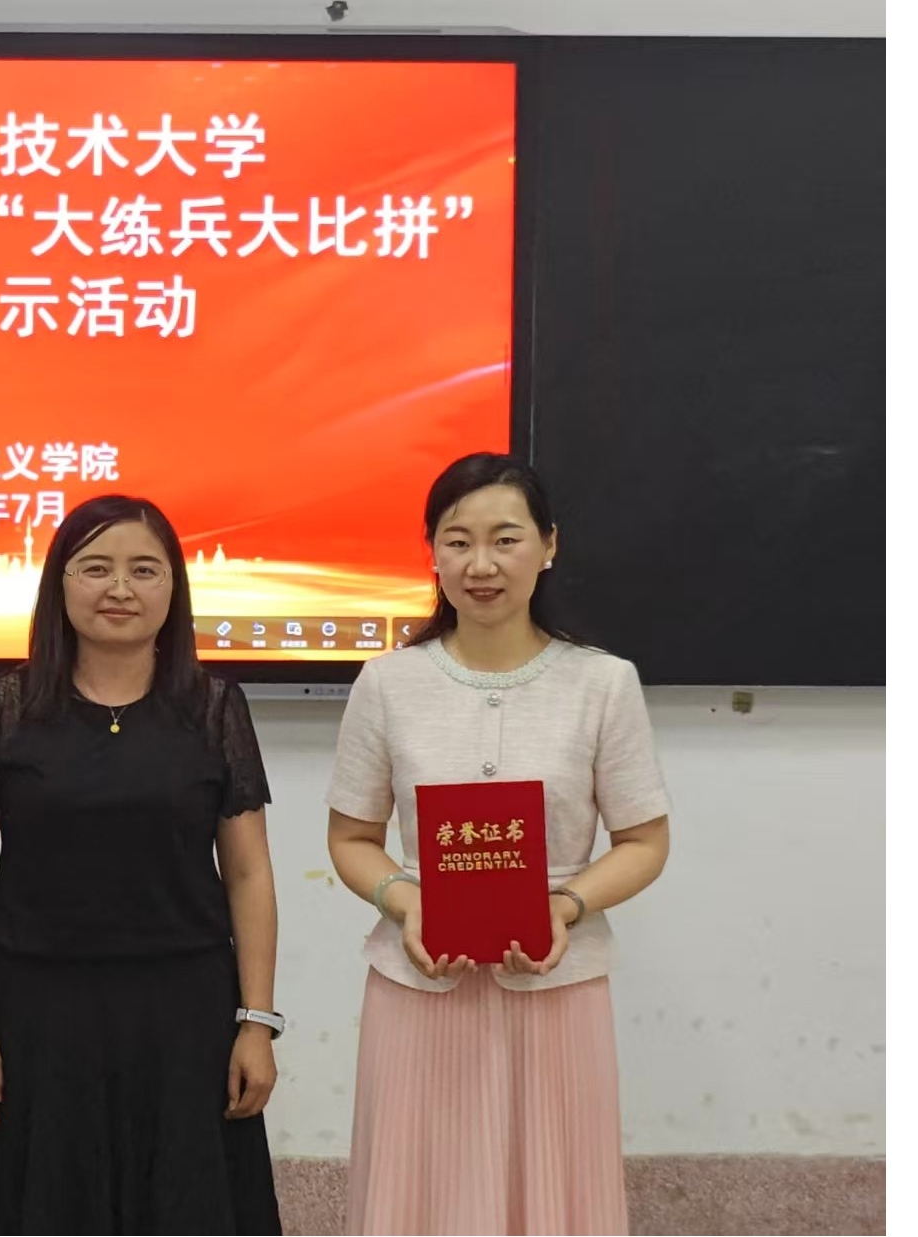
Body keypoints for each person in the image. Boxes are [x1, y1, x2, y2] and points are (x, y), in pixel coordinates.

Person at [326, 452, 672, 1235]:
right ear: (433, 553)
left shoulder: (602, 683)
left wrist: (565, 904)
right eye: (457, 542)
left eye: (505, 539)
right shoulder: (387, 683)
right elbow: (351, 836)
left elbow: (645, 840)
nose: (480, 564)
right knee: (419, 1190)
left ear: (548, 545)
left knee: (553, 1187)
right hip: (418, 983)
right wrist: (406, 902)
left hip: (558, 984)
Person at [0, 494, 285, 1235]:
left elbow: (249, 873)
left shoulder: (213, 707)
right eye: (95, 568)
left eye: (143, 570)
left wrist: (256, 1022)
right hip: (37, 1012)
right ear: (59, 585)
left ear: (173, 586)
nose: (119, 588)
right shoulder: (8, 705)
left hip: (185, 1012)